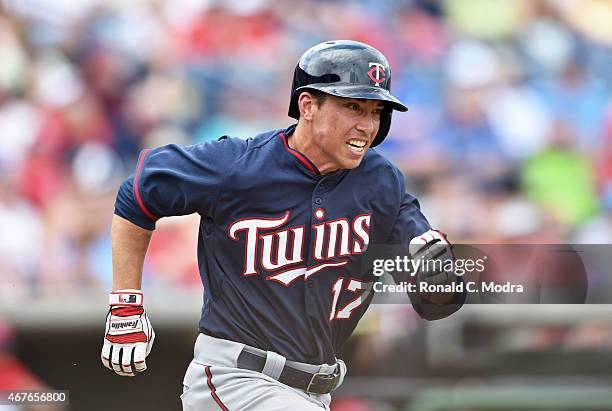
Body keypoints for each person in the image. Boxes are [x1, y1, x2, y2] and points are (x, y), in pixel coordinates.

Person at [101, 40, 464, 410]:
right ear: (308, 105)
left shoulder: (381, 182)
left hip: (316, 390)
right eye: (352, 106)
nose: (367, 125)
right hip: (235, 380)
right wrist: (125, 304)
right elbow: (139, 193)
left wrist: (438, 276)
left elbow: (435, 302)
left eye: (375, 111)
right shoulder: (238, 166)